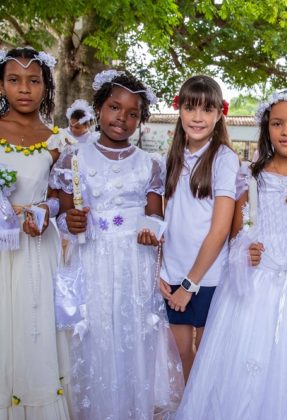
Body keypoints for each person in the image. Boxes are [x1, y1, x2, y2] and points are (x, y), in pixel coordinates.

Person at [176, 90, 287, 419]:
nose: (286, 131)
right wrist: (246, 248)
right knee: (244, 368)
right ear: (267, 128)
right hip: (255, 286)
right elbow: (236, 233)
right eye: (278, 123)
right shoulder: (251, 175)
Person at [50, 69, 183, 419]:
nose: (121, 118)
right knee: (93, 336)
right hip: (91, 257)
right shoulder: (74, 158)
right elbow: (63, 215)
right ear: (98, 108)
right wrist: (70, 220)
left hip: (132, 263)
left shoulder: (149, 165)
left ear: (141, 119)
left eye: (132, 113)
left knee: (132, 337)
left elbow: (155, 215)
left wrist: (150, 230)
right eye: (113, 107)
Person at [0, 47, 70, 419]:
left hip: (36, 250)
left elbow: (61, 198)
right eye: (14, 80)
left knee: (33, 326)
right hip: (1, 251)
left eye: (33, 80)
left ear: (45, 87)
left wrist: (45, 210)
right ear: (1, 85)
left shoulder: (58, 141)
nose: (23, 89)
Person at [159, 75, 239, 383]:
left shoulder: (224, 159)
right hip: (174, 272)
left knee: (208, 358)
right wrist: (163, 271)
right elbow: (167, 220)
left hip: (206, 278)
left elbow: (219, 230)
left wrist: (190, 284)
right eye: (190, 108)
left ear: (219, 114)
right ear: (179, 111)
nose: (197, 117)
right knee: (180, 356)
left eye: (207, 109)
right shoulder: (173, 157)